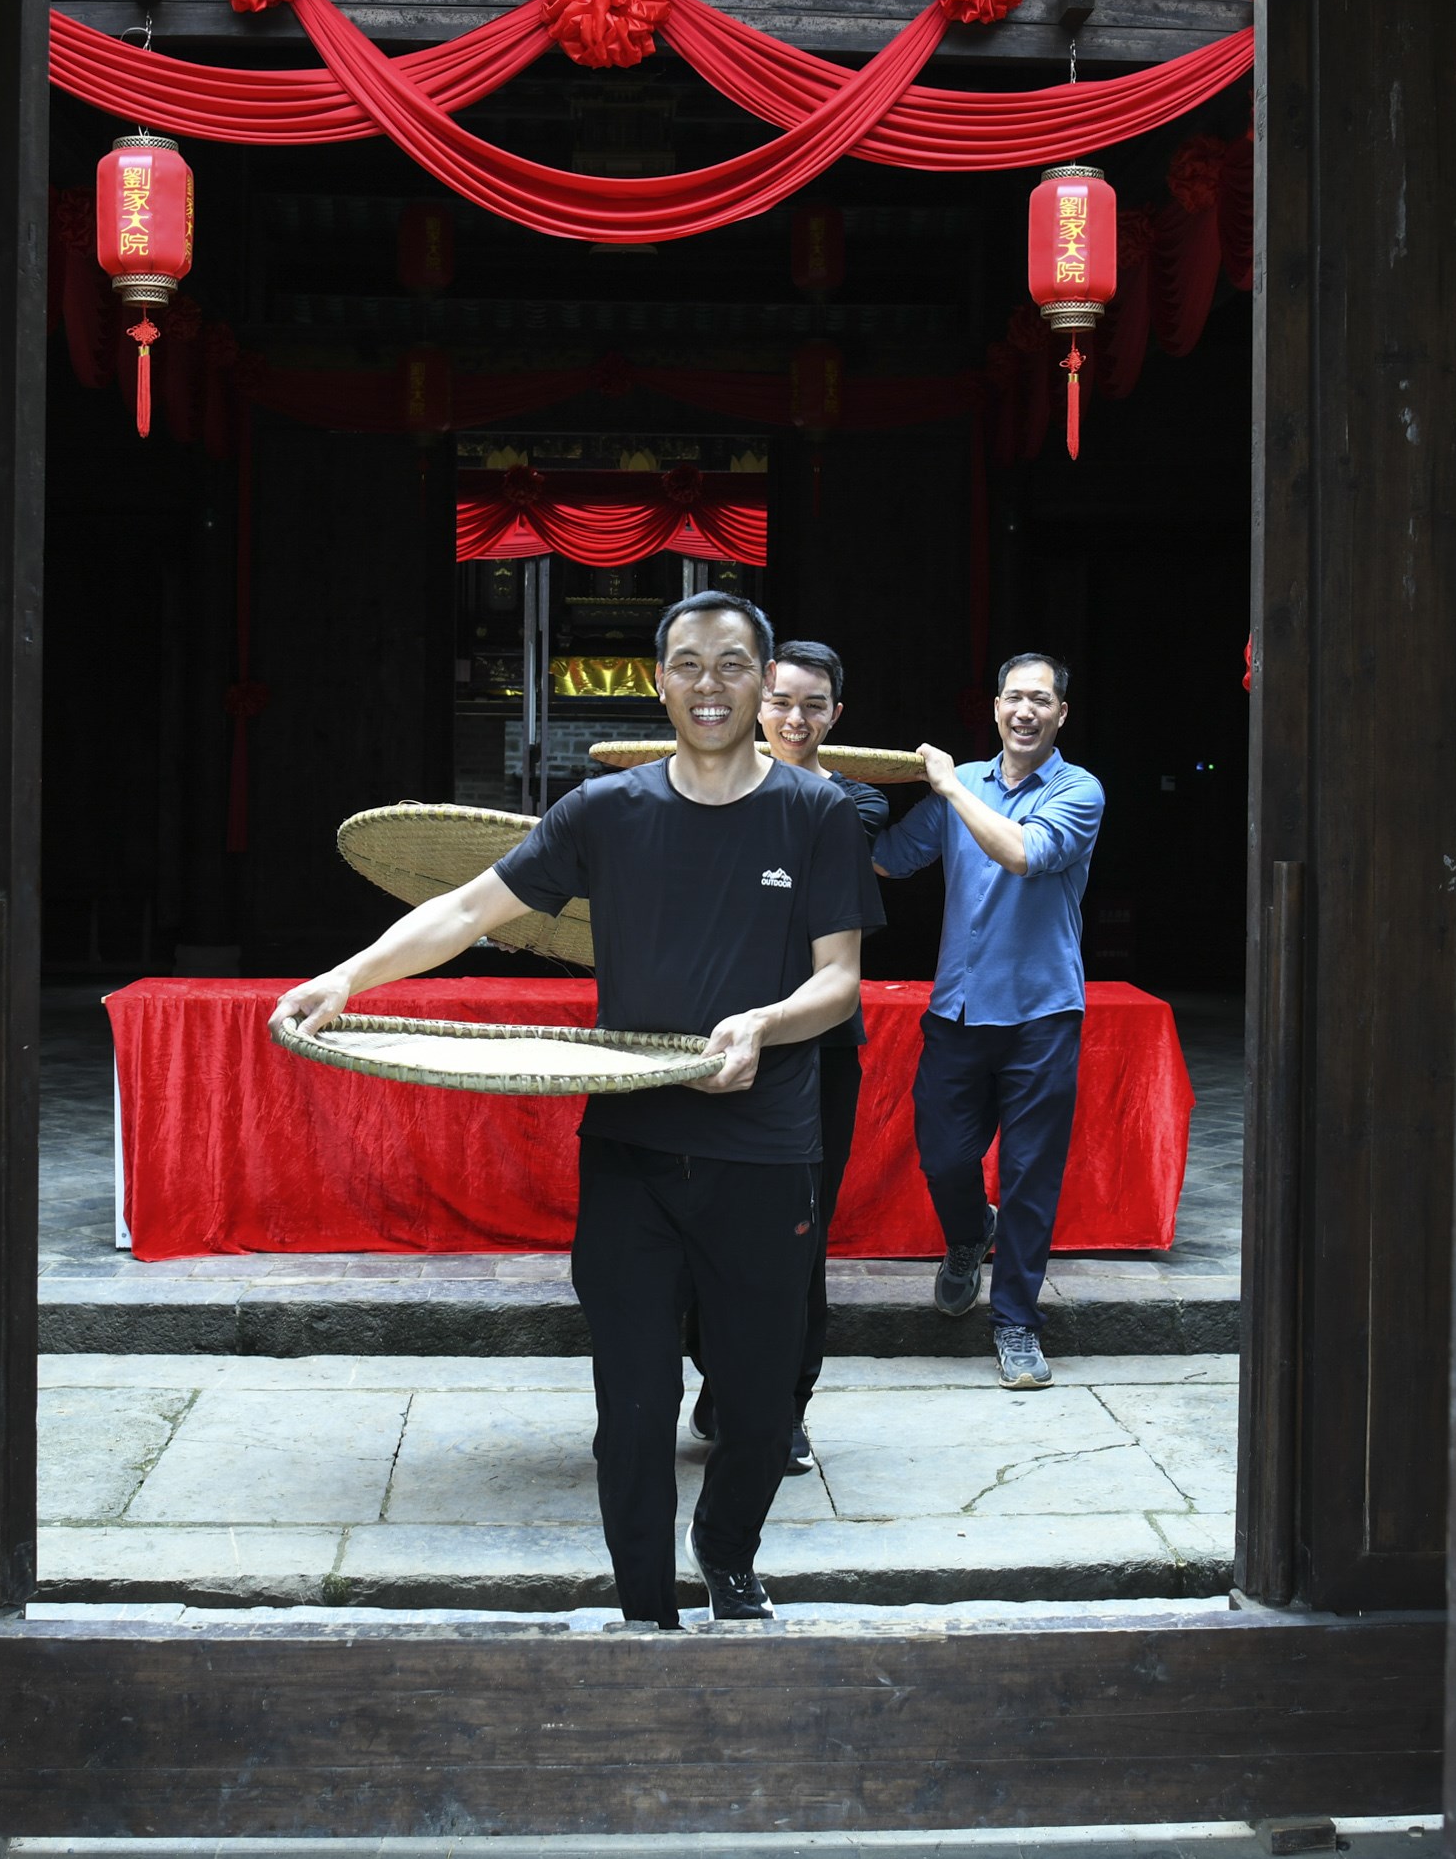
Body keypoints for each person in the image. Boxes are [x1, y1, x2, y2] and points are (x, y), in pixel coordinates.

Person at [270, 592, 875, 1628]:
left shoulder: (817, 814)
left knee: (760, 1406)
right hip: (633, 1154)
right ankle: (645, 1612)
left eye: (732, 663)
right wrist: (346, 976)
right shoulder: (605, 810)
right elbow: (468, 908)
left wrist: (764, 1025)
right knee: (630, 1412)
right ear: (659, 682)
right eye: (688, 664)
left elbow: (840, 981)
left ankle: (726, 1550)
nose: (710, 684)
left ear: (763, 679)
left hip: (765, 1154)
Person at [685, 638, 888, 1475]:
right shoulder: (703, 790)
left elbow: (793, 865)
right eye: (781, 702)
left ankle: (784, 1409)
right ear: (756, 705)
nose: (794, 718)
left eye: (812, 705)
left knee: (794, 1239)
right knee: (703, 1228)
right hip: (712, 1037)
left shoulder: (854, 804)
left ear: (836, 715)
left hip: (814, 1047)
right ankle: (722, 1382)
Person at [874, 652, 1104, 1392]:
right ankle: (971, 1232)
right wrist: (816, 790)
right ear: (997, 707)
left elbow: (1023, 853)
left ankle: (1015, 1324)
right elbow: (890, 859)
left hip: (1042, 1014)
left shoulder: (1077, 790)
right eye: (1013, 697)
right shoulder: (963, 782)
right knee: (943, 1157)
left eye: (1041, 699)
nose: (1025, 711)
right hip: (959, 1010)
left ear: (1061, 713)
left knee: (1030, 1176)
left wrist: (947, 786)